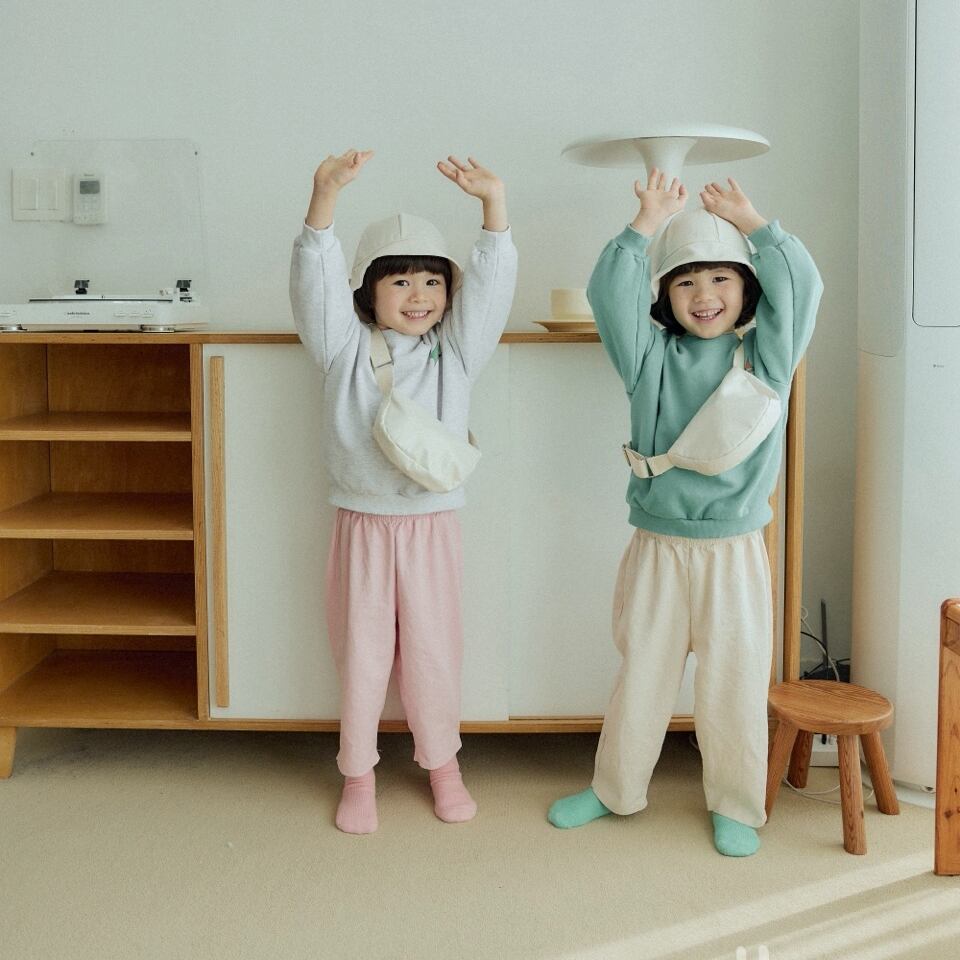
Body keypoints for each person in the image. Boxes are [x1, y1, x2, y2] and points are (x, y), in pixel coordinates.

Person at [547, 169, 822, 856]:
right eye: (686, 282)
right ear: (665, 296)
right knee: (641, 675)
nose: (705, 296)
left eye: (722, 279)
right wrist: (644, 224)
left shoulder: (767, 358)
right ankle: (615, 789)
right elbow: (609, 294)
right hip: (658, 546)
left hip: (734, 550)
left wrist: (755, 223)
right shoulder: (648, 360)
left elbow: (803, 288)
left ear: (748, 288)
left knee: (734, 681)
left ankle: (736, 803)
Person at [289, 149, 517, 834]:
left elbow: (492, 287)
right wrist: (323, 200)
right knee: (362, 658)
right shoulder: (342, 346)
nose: (419, 295)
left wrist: (494, 208)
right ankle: (357, 774)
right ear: (368, 292)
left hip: (431, 525)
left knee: (432, 654)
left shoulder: (458, 350)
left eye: (432, 280)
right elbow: (315, 282)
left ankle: (443, 766)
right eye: (400, 281)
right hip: (361, 524)